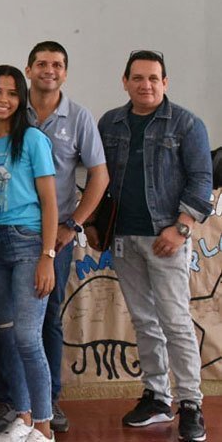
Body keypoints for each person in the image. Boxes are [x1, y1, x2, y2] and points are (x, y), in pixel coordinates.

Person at [87, 50, 211, 442]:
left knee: (175, 321)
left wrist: (181, 228)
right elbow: (97, 175)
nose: (146, 85)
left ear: (165, 82)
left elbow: (201, 179)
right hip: (124, 238)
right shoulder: (110, 123)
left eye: (154, 78)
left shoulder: (187, 124)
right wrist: (91, 221)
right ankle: (158, 397)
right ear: (125, 81)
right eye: (138, 78)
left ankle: (190, 402)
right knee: (144, 321)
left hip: (167, 238)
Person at [0, 42, 109, 434]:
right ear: (28, 69)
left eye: (57, 64)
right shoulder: (8, 114)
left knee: (44, 320)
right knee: (10, 324)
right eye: (41, 63)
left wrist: (71, 226)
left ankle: (47, 404)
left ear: (65, 72)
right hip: (3, 236)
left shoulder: (78, 117)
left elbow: (99, 177)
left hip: (52, 236)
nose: (49, 70)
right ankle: (14, 403)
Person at [0, 65, 57, 442]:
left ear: (21, 99)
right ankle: (23, 416)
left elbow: (50, 203)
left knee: (26, 337)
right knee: (6, 333)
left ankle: (45, 426)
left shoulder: (33, 140)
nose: (4, 100)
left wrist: (47, 256)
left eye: (12, 93)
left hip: (27, 243)